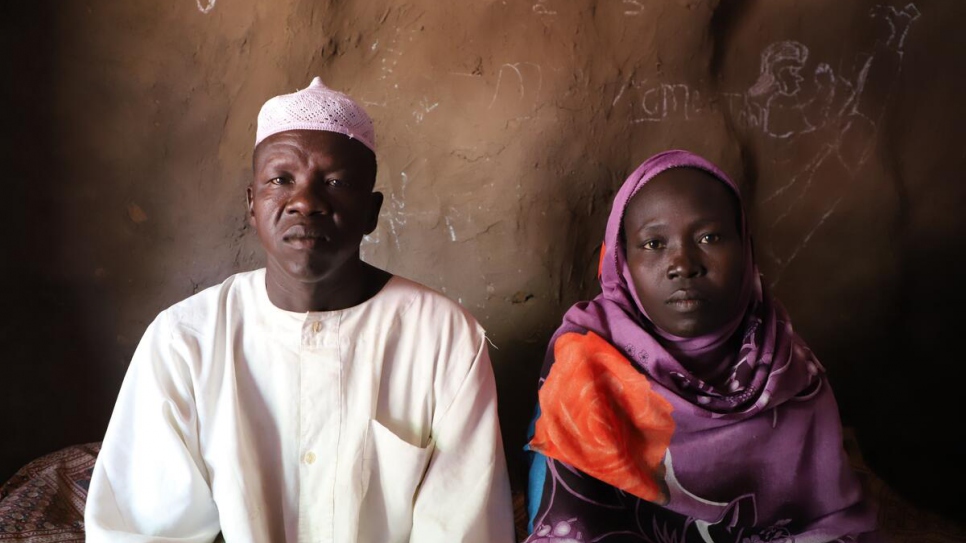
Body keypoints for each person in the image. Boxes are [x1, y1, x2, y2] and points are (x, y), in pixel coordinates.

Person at [85, 77, 515, 543]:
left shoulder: (444, 339)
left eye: (335, 182)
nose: (306, 203)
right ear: (253, 203)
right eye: (280, 180)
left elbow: (463, 529)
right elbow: (142, 530)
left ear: (371, 212)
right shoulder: (184, 341)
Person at [524, 150, 878, 542]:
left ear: (745, 249)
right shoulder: (586, 363)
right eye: (654, 243)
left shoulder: (789, 369)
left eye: (710, 237)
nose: (683, 263)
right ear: (622, 261)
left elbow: (832, 524)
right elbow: (573, 529)